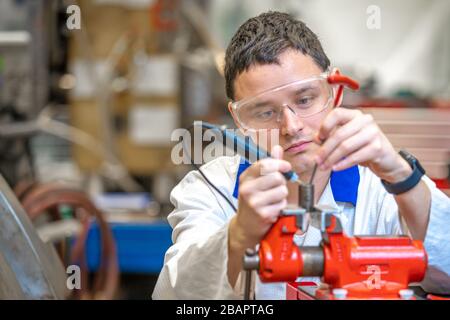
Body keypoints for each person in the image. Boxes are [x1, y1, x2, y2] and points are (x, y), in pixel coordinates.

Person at [153, 11, 450, 299]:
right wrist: (240, 234)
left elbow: (445, 276)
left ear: (334, 93)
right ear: (239, 119)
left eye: (305, 100)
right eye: (265, 112)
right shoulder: (211, 188)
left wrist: (402, 177)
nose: (291, 126)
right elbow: (176, 295)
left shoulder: (380, 186)